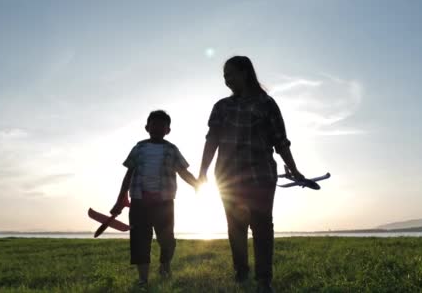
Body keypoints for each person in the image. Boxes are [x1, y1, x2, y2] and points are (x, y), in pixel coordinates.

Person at [198, 56, 306, 293]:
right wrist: (202, 171)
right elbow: (212, 140)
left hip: (261, 176)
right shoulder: (221, 107)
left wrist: (294, 169)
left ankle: (264, 280)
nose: (226, 80)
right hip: (228, 179)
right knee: (235, 227)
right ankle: (241, 273)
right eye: (224, 76)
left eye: (230, 74)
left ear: (245, 72)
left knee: (262, 227)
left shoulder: (266, 104)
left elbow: (281, 141)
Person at [111, 110, 199, 287]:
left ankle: (164, 266)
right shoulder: (138, 148)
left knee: (167, 240)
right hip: (138, 202)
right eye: (154, 124)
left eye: (162, 125)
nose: (158, 127)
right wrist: (120, 200)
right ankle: (143, 279)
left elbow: (183, 171)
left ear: (168, 130)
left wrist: (197, 184)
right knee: (139, 240)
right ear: (147, 127)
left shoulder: (172, 149)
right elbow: (128, 175)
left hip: (164, 203)